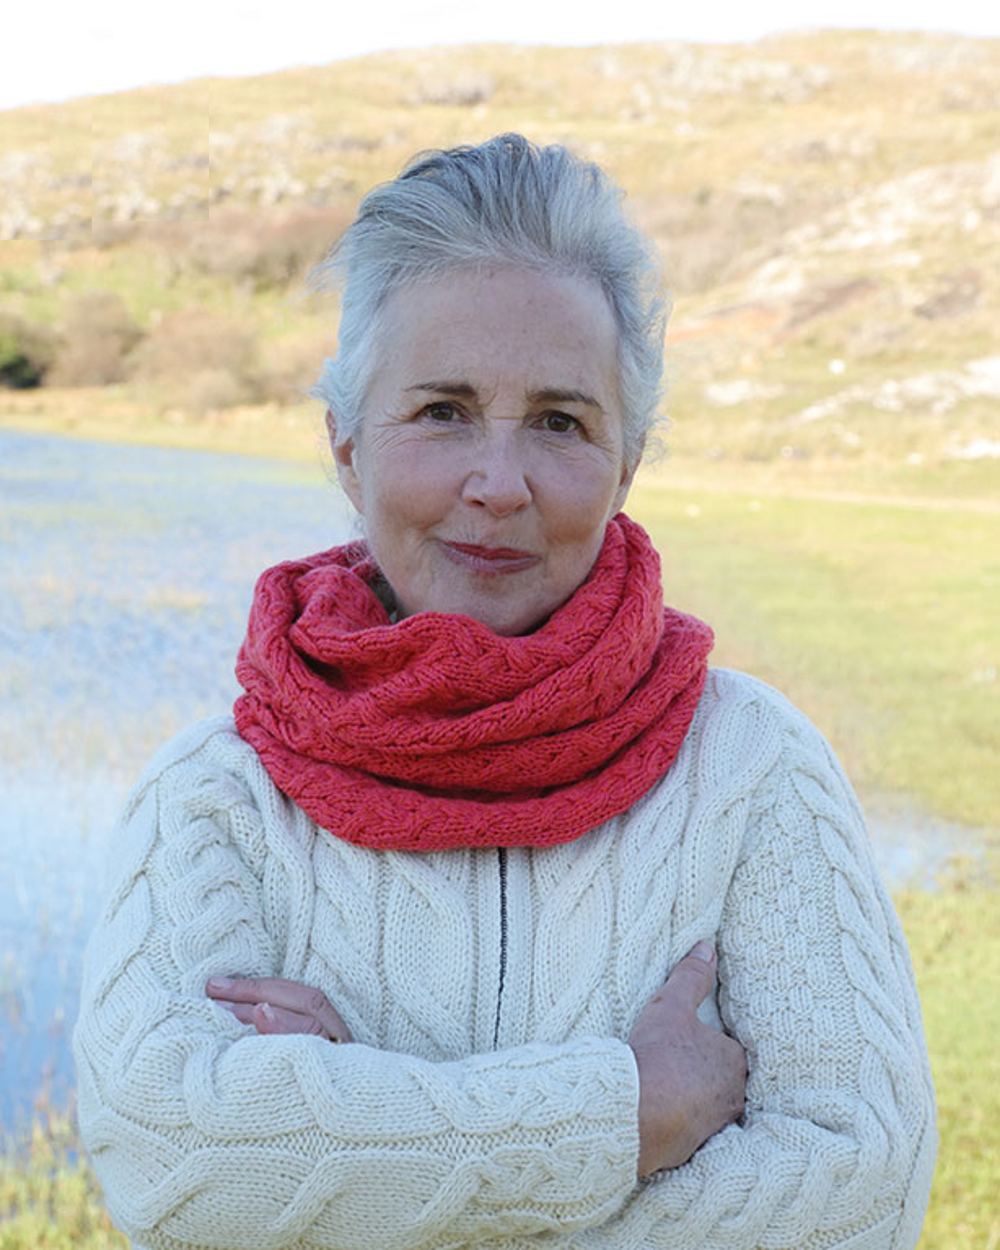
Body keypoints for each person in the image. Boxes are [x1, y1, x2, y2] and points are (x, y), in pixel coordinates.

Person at [72, 133, 936, 1250]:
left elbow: (859, 1187)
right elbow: (173, 1158)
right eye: (441, 410)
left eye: (559, 422)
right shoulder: (218, 794)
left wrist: (361, 1148)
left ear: (624, 465)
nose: (497, 481)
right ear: (346, 445)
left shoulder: (753, 767)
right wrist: (623, 1112)